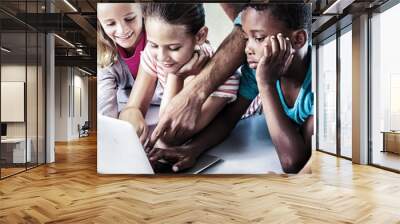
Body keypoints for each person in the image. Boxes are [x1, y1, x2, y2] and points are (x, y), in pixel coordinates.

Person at [148, 3, 314, 174]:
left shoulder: (319, 84)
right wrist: (193, 150)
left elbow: (293, 163)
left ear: (298, 39)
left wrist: (266, 84)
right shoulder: (255, 70)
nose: (247, 48)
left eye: (258, 38)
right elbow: (229, 119)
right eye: (246, 37)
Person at [119, 3, 240, 146]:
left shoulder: (224, 77)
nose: (161, 57)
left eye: (174, 48)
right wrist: (132, 124)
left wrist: (175, 76)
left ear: (200, 36)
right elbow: (132, 108)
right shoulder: (155, 54)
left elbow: (168, 135)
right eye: (153, 44)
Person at [97, 3, 206, 118]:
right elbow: (110, 112)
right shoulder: (149, 55)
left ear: (143, 12)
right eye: (110, 23)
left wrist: (175, 75)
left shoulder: (197, 57)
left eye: (130, 19)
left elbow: (171, 120)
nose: (122, 30)